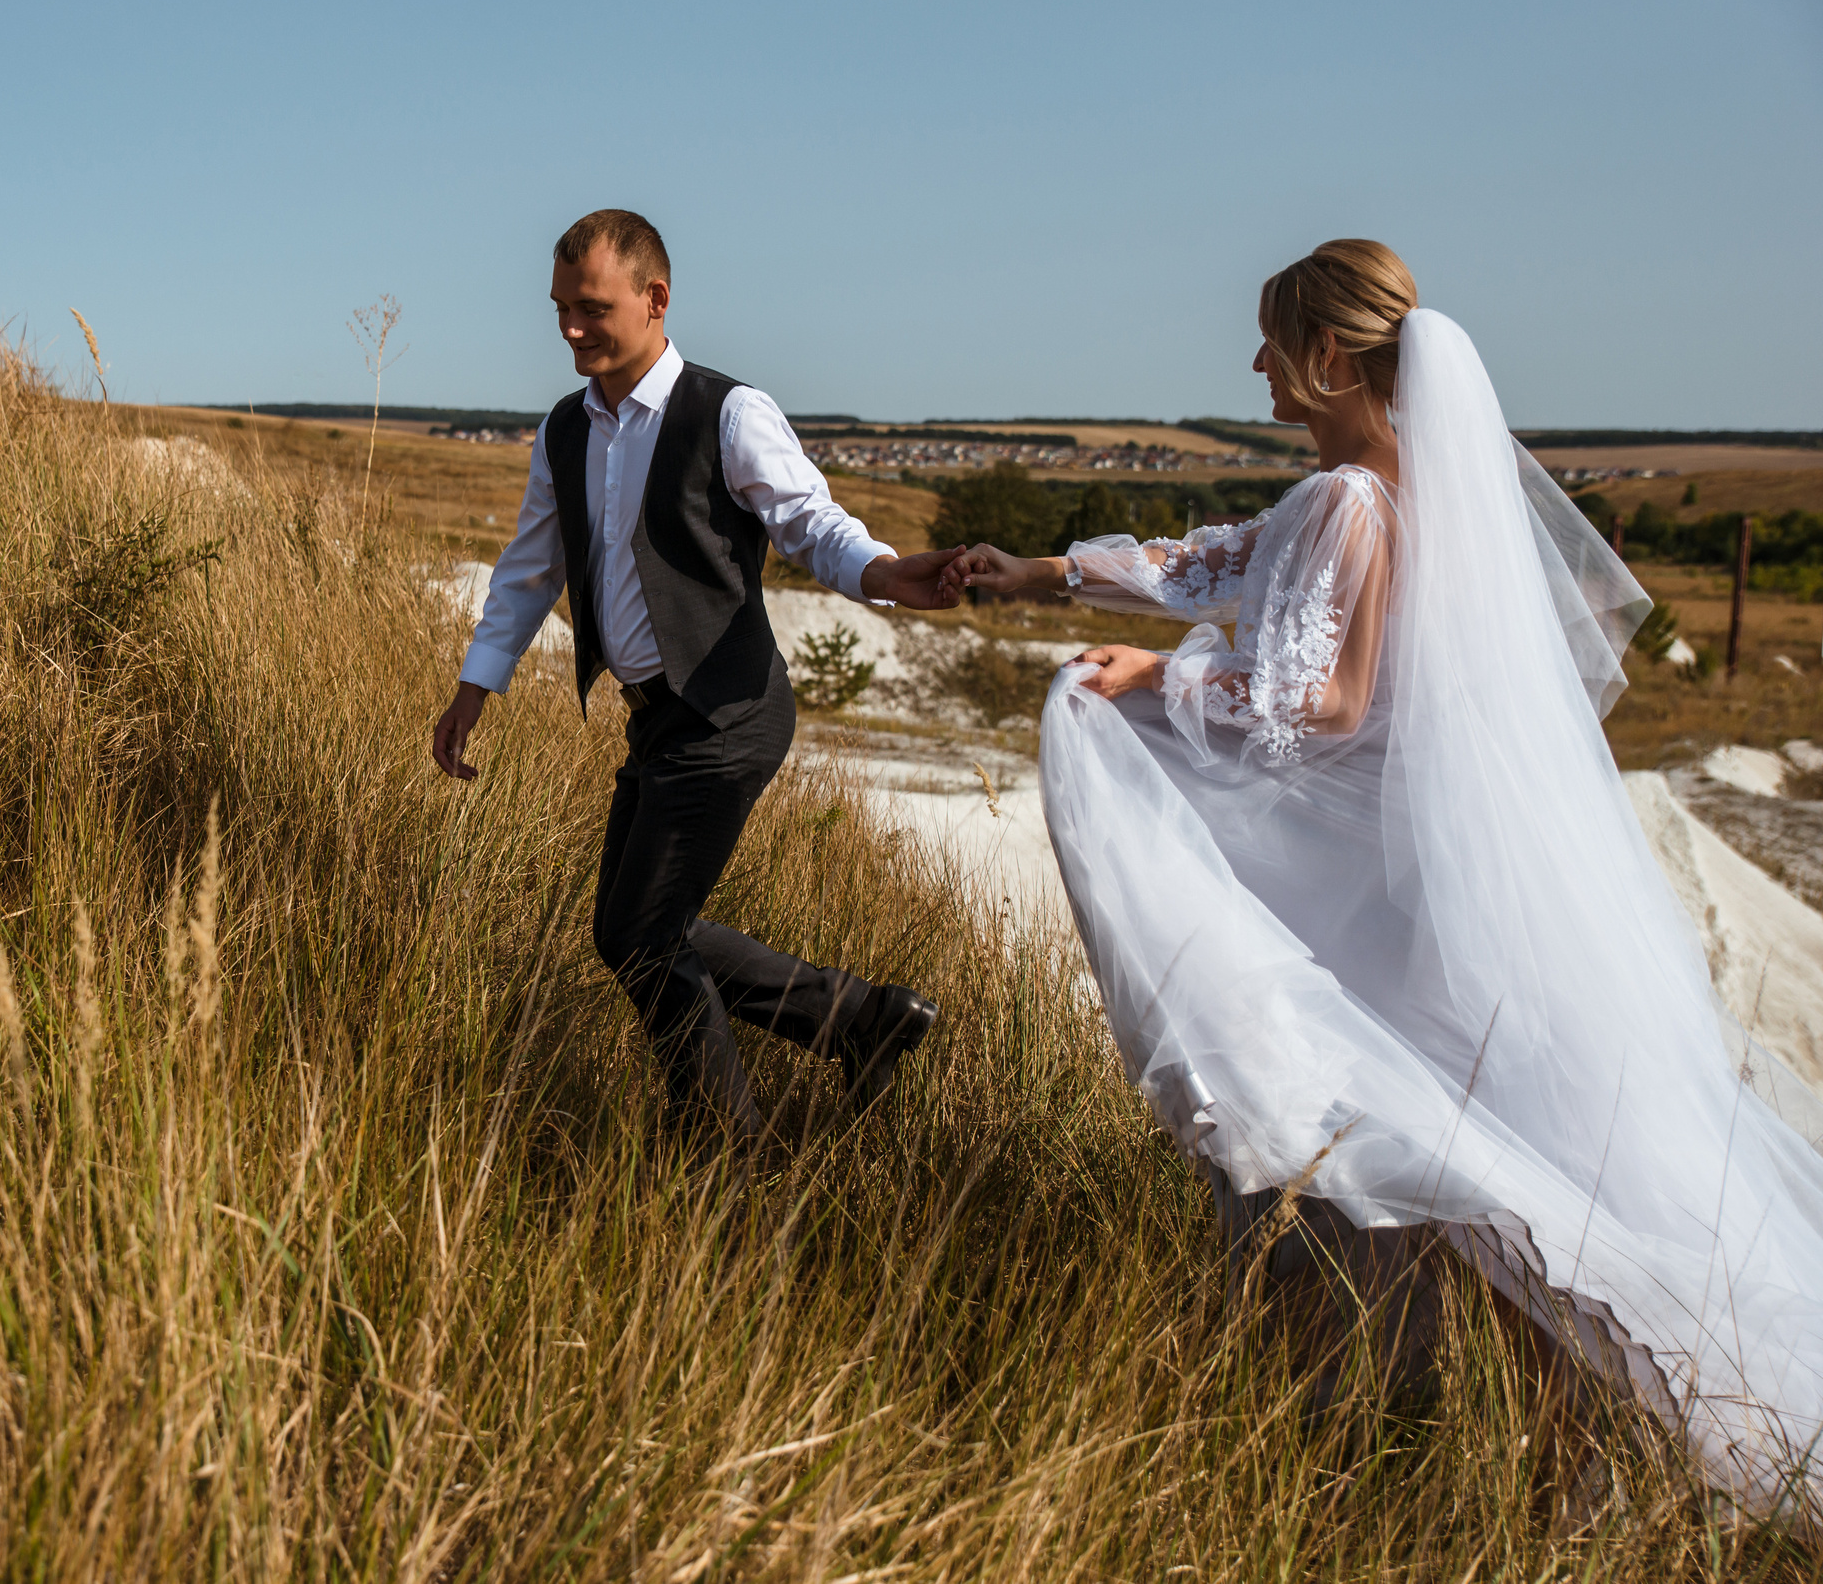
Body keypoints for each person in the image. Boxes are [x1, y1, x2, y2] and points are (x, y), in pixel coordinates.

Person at [950, 239, 1823, 1516]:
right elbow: (1220, 558)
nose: (1252, 363)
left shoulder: (1351, 500)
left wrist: (1157, 677)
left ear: (1326, 355)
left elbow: (1327, 697)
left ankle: (1575, 1425)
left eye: (1269, 340)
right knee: (1473, 1158)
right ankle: (1555, 1425)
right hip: (1429, 864)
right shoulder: (1385, 488)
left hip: (1385, 879)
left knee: (1455, 1163)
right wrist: (1034, 574)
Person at [431, 209, 965, 1146]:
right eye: (559, 308)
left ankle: (728, 1149)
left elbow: (811, 522)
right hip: (656, 720)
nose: (569, 329)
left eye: (591, 308)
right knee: (632, 930)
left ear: (655, 299)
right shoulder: (565, 431)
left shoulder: (727, 411)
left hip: (732, 712)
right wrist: (476, 686)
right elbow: (528, 569)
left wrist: (883, 573)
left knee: (641, 935)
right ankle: (856, 1020)